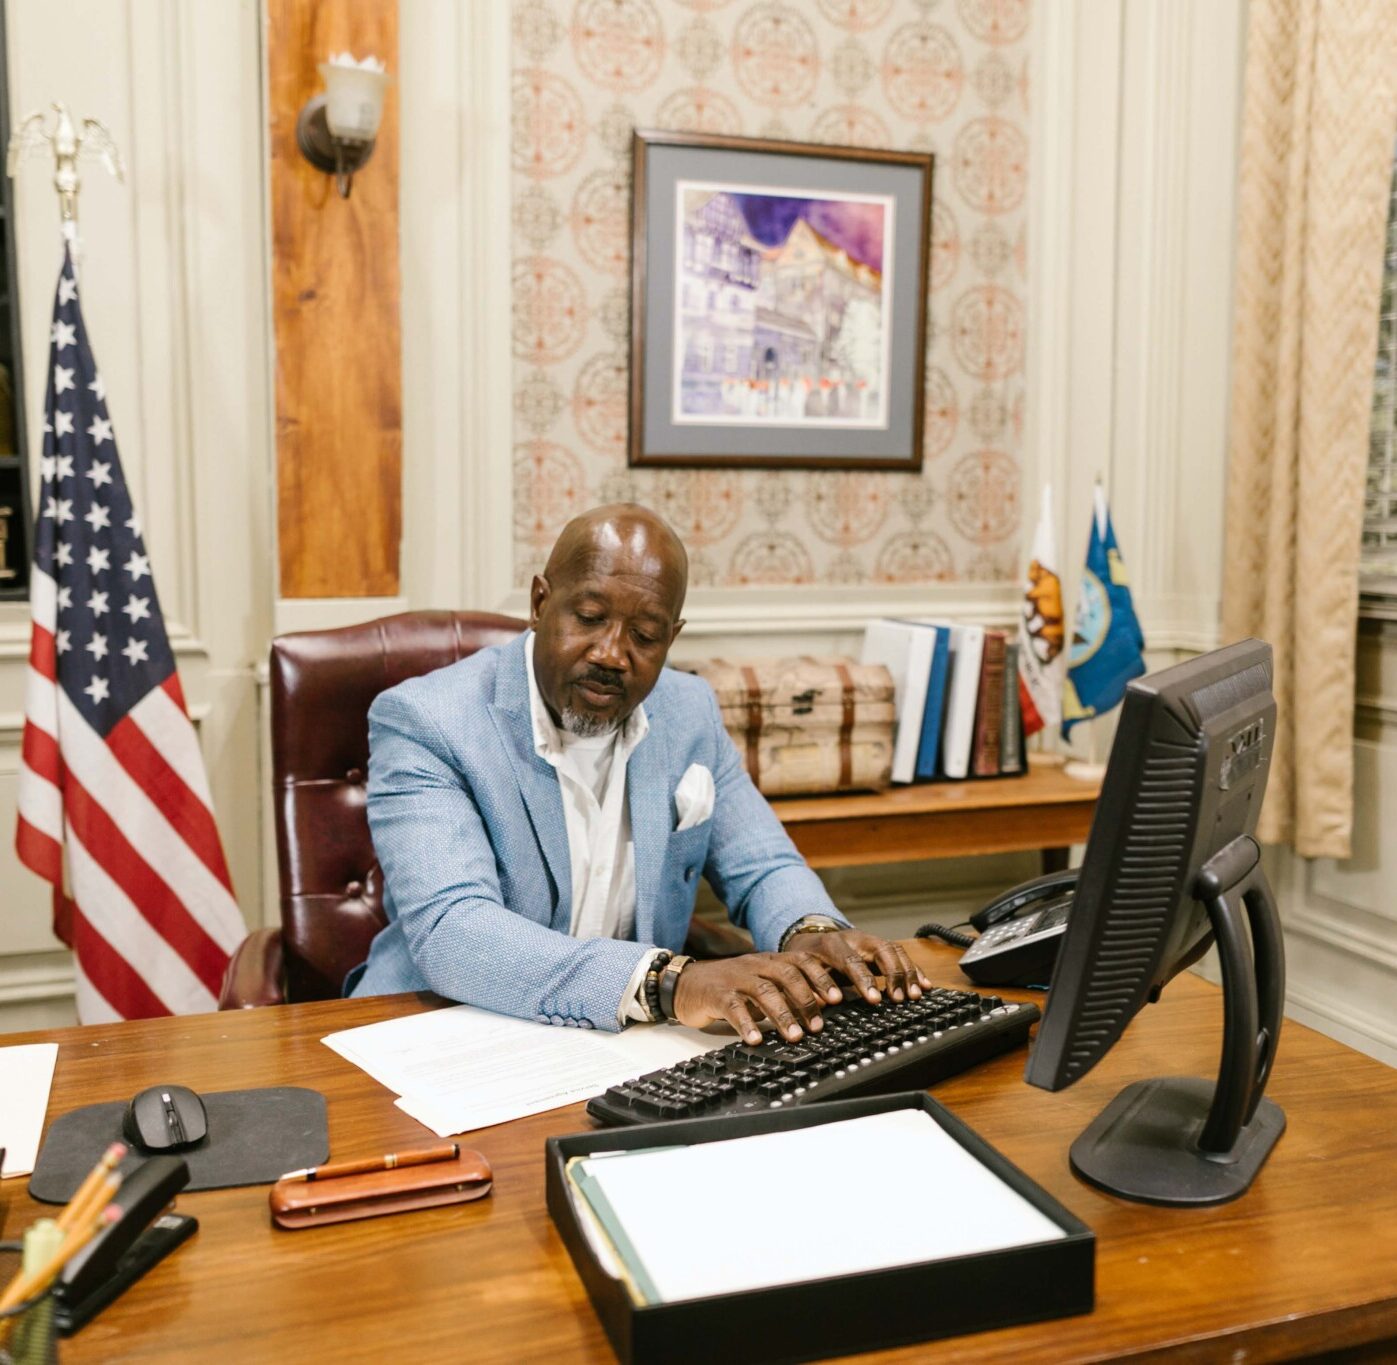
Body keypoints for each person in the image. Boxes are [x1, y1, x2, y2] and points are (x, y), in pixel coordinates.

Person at [347, 504, 929, 1042]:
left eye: (645, 636)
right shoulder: (428, 721)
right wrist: (668, 983)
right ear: (540, 602)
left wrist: (812, 934)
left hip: (621, 1044)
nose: (612, 654)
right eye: (590, 617)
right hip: (440, 1031)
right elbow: (454, 930)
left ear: (671, 639)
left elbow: (763, 865)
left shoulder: (688, 709)